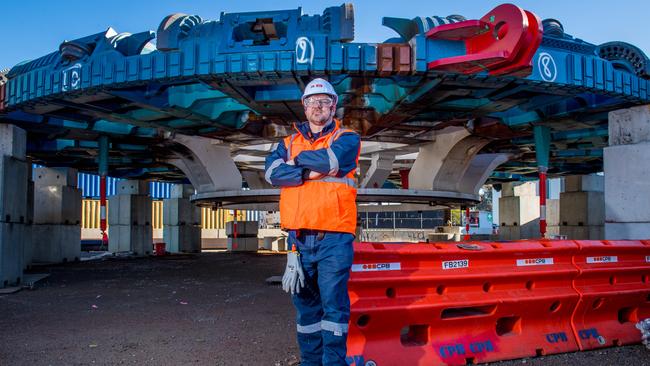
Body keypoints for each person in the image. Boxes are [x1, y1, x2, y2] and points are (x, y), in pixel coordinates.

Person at [264, 78, 361, 365]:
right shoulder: (286, 142)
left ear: (333, 106)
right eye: (312, 102)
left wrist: (295, 164)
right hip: (298, 239)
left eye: (324, 101)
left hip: (334, 238)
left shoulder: (347, 138)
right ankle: (310, 362)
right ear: (304, 107)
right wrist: (309, 170)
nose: (318, 106)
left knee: (334, 309)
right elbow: (271, 174)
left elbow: (331, 160)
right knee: (306, 309)